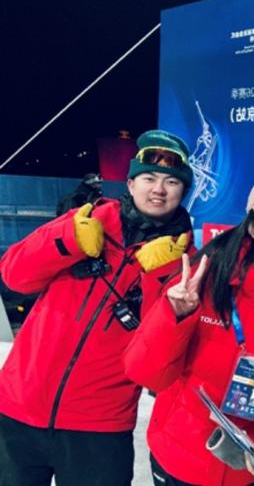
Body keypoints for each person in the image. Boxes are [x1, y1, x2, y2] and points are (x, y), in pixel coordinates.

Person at [0, 129, 195, 486]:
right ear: (131, 184)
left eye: (171, 182)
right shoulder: (85, 219)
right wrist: (66, 241)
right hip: (17, 408)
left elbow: (156, 367)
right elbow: (14, 276)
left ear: (184, 192)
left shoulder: (185, 262)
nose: (158, 189)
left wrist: (158, 278)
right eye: (149, 178)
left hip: (100, 427)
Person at [124, 172, 254, 486]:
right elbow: (145, 374)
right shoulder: (205, 277)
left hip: (246, 470)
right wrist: (173, 316)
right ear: (252, 225)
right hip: (179, 460)